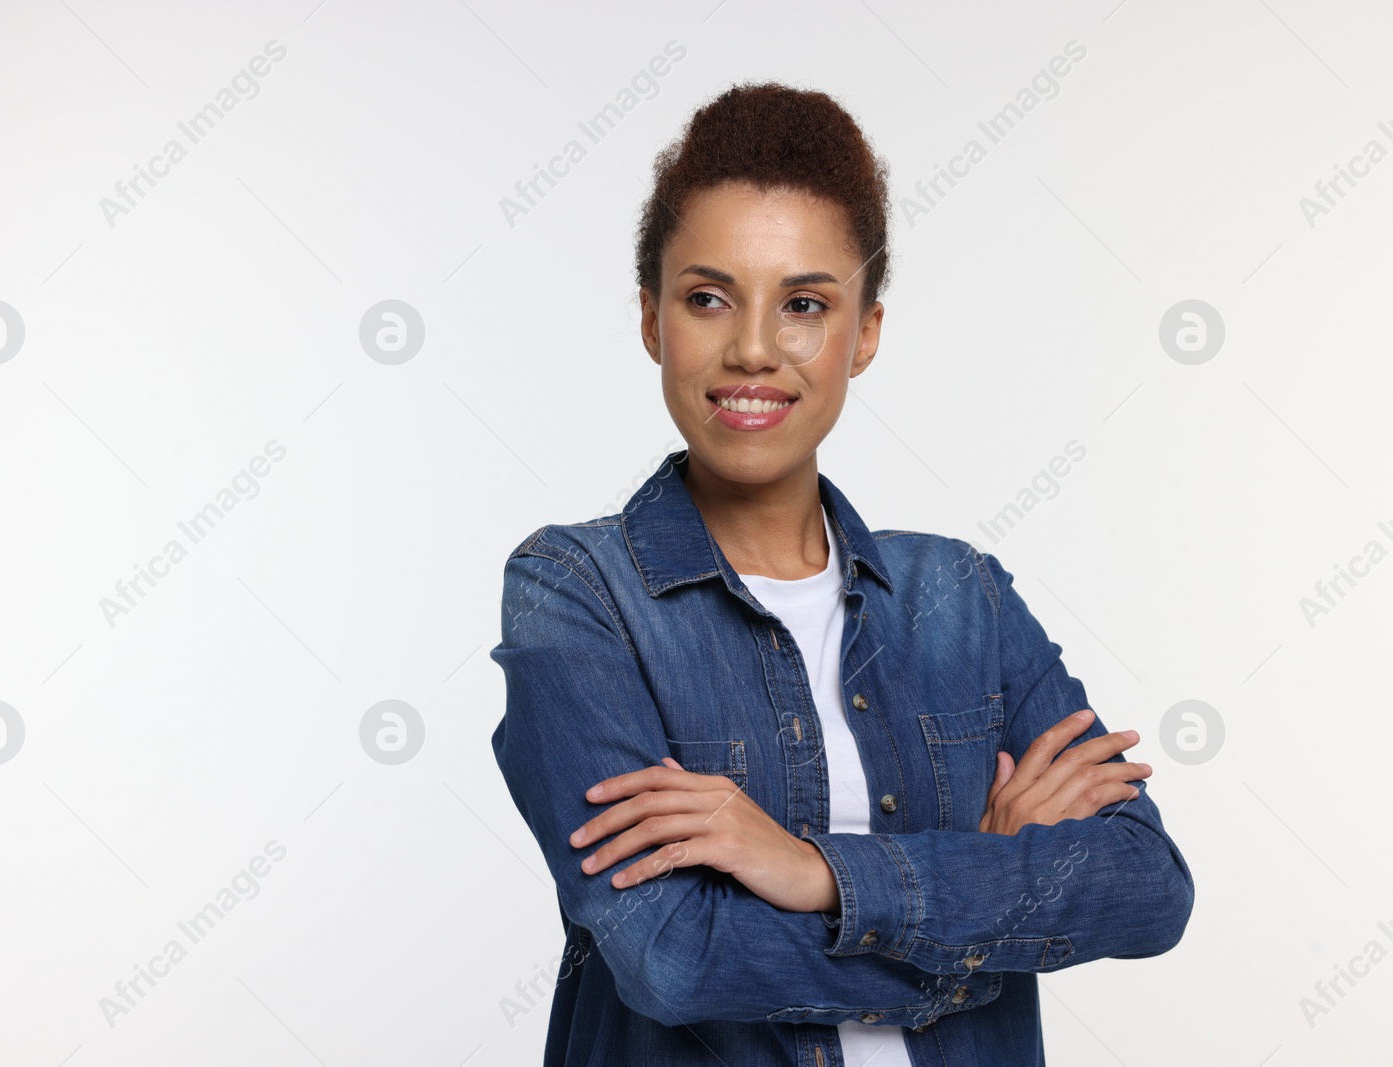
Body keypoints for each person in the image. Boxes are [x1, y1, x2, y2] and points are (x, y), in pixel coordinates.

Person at [489, 81, 1193, 1067]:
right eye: (707, 297)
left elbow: (1146, 884)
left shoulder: (959, 596)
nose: (751, 349)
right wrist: (982, 892)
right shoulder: (579, 588)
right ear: (651, 319)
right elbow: (673, 959)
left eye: (804, 305)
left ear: (863, 332)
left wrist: (813, 869)